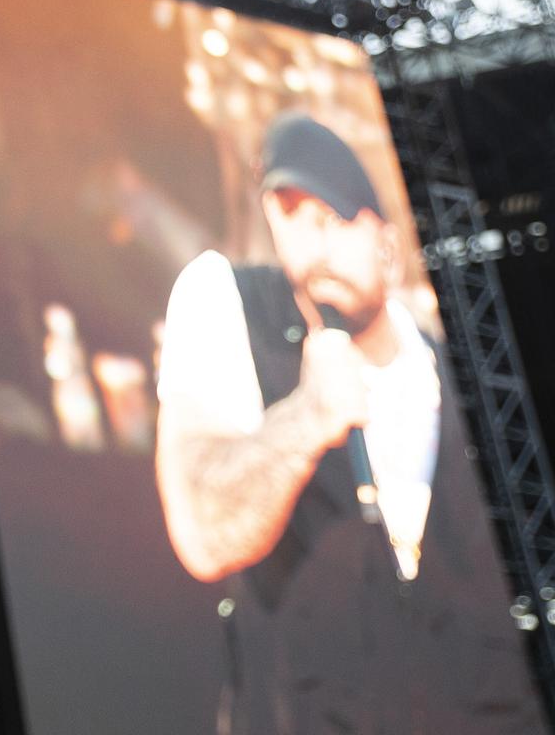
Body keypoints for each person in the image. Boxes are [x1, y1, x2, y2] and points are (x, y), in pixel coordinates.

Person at [154, 112, 536, 734]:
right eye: (291, 217)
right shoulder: (228, 300)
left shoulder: (457, 365)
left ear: (385, 238)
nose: (314, 245)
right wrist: (308, 417)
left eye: (333, 217)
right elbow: (203, 534)